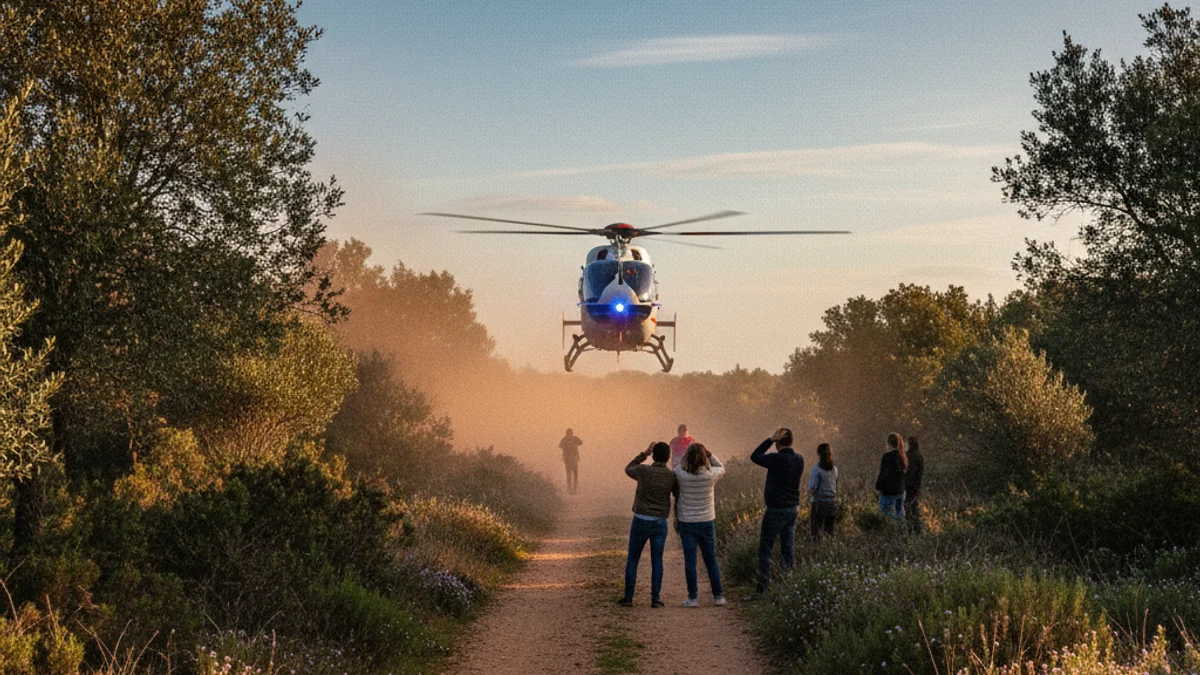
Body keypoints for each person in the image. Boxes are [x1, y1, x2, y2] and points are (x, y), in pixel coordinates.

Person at [618, 441, 678, 608]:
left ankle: (628, 597)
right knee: (657, 560)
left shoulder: (643, 470)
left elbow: (628, 468)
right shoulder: (671, 476)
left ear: (654, 455)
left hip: (640, 519)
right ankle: (655, 598)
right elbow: (678, 496)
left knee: (633, 558)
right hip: (659, 522)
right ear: (668, 457)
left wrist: (644, 454)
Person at [749, 428, 805, 594]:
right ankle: (790, 588)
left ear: (777, 443)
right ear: (791, 442)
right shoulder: (799, 459)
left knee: (765, 550)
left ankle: (762, 589)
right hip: (792, 508)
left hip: (776, 509)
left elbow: (755, 456)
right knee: (788, 550)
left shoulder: (777, 459)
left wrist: (770, 439)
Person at [673, 442, 726, 607]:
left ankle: (693, 598)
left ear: (687, 457)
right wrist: (709, 454)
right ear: (704, 458)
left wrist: (686, 455)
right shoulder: (711, 475)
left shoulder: (681, 474)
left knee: (690, 561)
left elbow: (677, 466)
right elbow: (721, 467)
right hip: (706, 522)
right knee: (710, 560)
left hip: (687, 522)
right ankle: (718, 596)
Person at [874, 433, 908, 523]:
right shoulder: (902, 456)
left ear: (888, 444)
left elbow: (883, 473)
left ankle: (891, 531)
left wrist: (877, 487)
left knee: (887, 519)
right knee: (899, 518)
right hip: (900, 491)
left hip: (889, 493)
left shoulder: (887, 456)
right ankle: (901, 531)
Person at [808, 443, 838, 542]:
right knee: (829, 534)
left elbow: (812, 488)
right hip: (832, 504)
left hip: (819, 503)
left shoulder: (817, 469)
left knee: (816, 534)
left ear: (818, 454)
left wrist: (810, 499)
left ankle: (816, 550)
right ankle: (828, 550)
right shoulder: (834, 469)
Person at [904, 436, 925, 534]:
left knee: (908, 509)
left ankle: (914, 529)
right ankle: (917, 529)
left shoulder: (908, 456)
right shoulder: (919, 456)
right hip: (915, 487)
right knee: (913, 508)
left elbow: (907, 473)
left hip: (907, 487)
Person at [559, 428, 582, 494]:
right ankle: (571, 489)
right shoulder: (565, 439)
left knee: (574, 474)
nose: (570, 434)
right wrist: (569, 445)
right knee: (570, 474)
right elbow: (560, 446)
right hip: (569, 459)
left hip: (573, 458)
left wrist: (574, 443)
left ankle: (573, 488)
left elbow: (581, 442)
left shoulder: (573, 438)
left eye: (571, 432)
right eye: (569, 432)